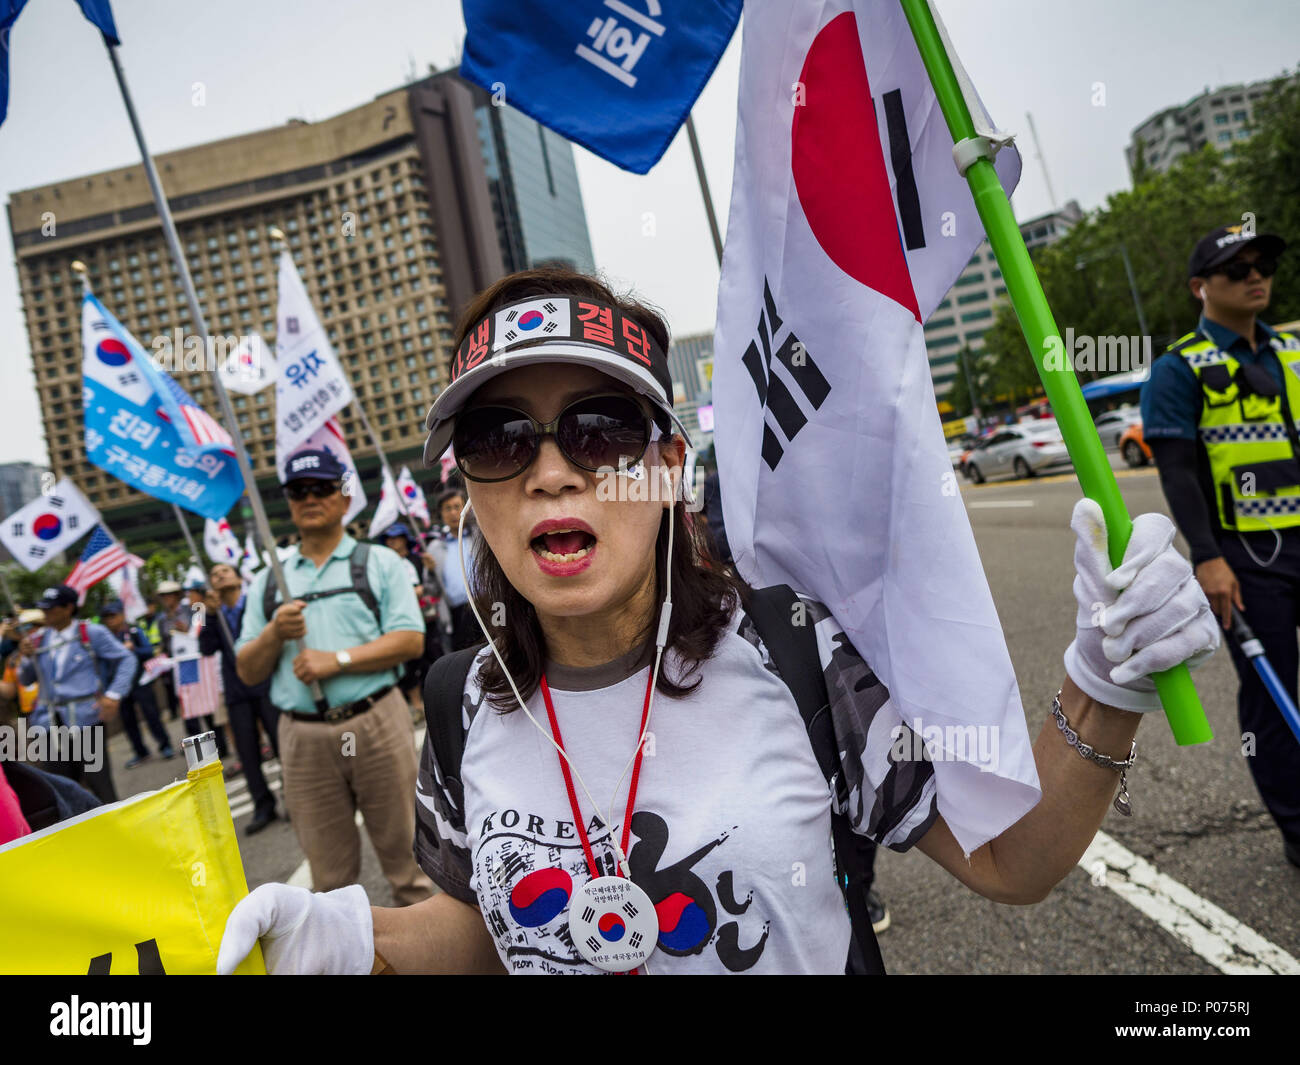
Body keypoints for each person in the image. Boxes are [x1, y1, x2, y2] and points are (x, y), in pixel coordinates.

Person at [219, 267, 1218, 976]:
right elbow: (484, 935)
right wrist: (357, 939)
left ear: (665, 471)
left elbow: (1012, 861)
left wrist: (1105, 682)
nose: (553, 469)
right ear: (471, 491)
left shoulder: (793, 652)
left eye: (599, 428)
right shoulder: (460, 698)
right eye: (499, 437)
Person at [1140, 223, 1300, 869]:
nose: (1256, 276)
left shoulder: (1290, 350)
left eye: (1263, 264)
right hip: (1247, 560)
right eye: (1238, 269)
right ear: (1200, 287)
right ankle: (1297, 826)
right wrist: (1206, 558)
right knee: (1273, 690)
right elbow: (1177, 472)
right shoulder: (1179, 369)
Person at [234, 447, 433, 905]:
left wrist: (336, 660)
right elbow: (247, 668)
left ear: (344, 499)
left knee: (410, 871)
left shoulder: (379, 562)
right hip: (303, 740)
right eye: (298, 491)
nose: (310, 498)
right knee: (329, 887)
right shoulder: (269, 581)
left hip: (376, 722)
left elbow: (409, 640)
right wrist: (273, 634)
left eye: (322, 488)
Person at [17, 585, 136, 804]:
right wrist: (25, 658)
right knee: (60, 788)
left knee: (99, 782)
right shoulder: (39, 639)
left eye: (51, 608)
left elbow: (127, 659)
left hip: (85, 719)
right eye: (44, 608)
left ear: (68, 608)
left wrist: (114, 694)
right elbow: (25, 679)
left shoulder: (90, 633)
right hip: (49, 724)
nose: (46, 613)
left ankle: (114, 830)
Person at [200, 562, 283, 835]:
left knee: (281, 742)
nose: (219, 575)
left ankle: (293, 798)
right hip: (237, 691)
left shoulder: (255, 603)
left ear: (238, 578)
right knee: (247, 752)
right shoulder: (213, 614)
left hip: (266, 682)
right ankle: (263, 805)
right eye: (214, 574)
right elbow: (206, 648)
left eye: (225, 571)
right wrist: (210, 615)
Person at [100, 599, 175, 768]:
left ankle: (165, 745)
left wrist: (133, 648)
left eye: (113, 615)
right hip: (119, 687)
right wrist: (107, 689)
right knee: (128, 720)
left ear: (122, 615)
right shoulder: (105, 639)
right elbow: (104, 665)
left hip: (140, 681)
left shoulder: (133, 631)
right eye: (106, 617)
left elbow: (148, 651)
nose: (110, 620)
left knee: (151, 714)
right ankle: (140, 752)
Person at [422, 487, 481, 651]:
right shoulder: (434, 548)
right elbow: (431, 590)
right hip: (458, 614)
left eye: (457, 506)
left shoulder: (480, 535)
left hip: (489, 605)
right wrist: (430, 571)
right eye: (447, 508)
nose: (454, 513)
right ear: (440, 514)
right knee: (469, 657)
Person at [378, 522, 428, 713]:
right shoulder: (385, 566)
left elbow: (432, 585)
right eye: (389, 539)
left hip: (426, 617)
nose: (393, 543)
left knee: (430, 657)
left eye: (396, 538)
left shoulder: (418, 560)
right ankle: (416, 705)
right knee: (408, 663)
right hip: (399, 621)